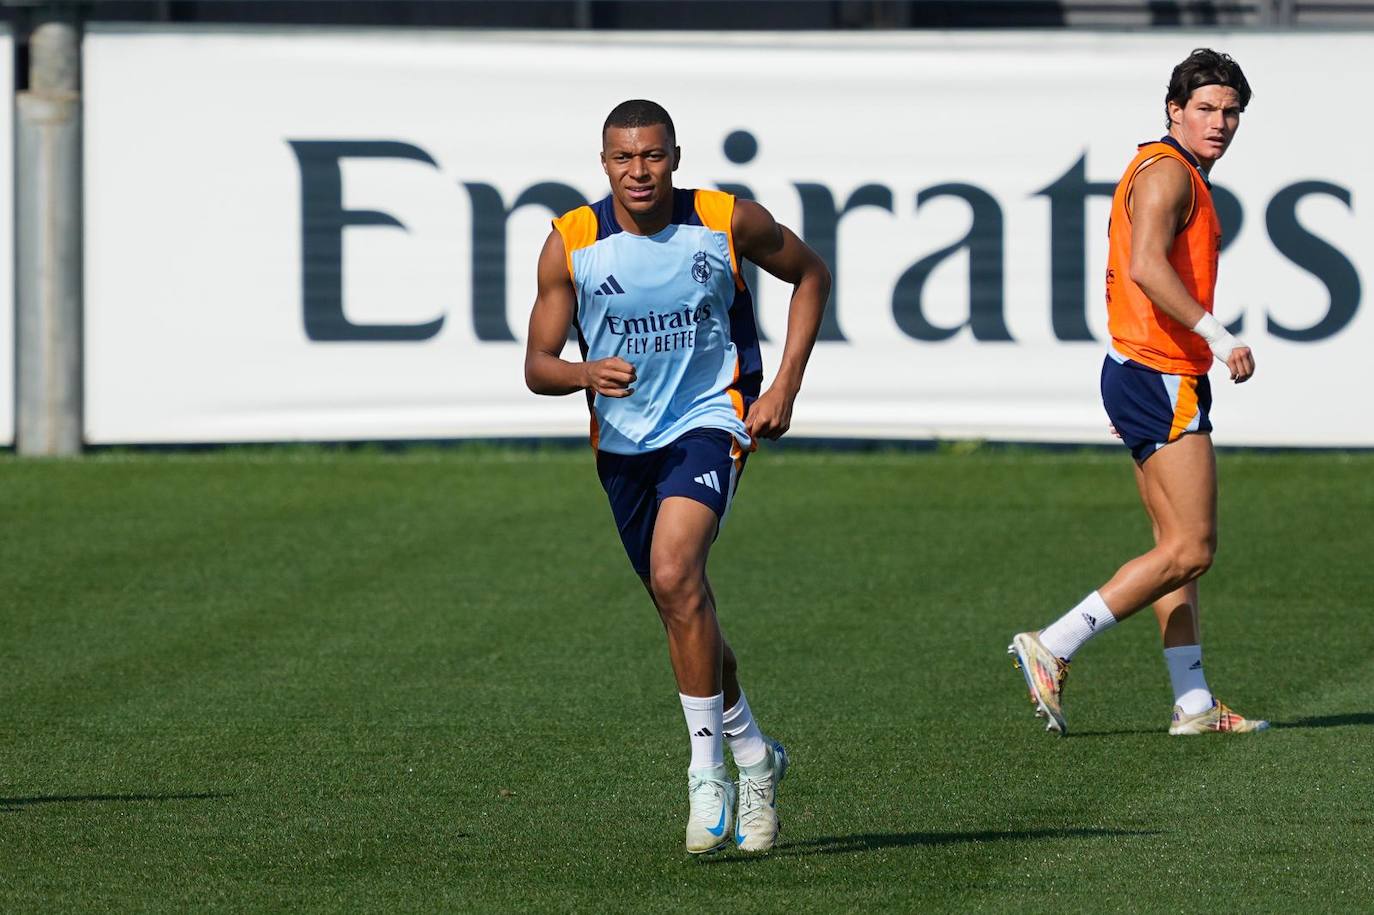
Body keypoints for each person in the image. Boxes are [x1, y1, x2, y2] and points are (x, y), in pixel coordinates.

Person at [524, 99, 830, 852]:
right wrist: (583, 372)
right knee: (680, 602)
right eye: (624, 157)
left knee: (674, 569)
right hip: (623, 446)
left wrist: (784, 382)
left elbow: (811, 275)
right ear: (604, 163)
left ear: (675, 157)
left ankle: (706, 776)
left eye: (653, 156)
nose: (639, 171)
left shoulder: (727, 221)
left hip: (710, 420)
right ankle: (757, 755)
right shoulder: (570, 242)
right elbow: (536, 366)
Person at [1009, 49, 1268, 737]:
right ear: (1174, 110)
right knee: (1193, 548)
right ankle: (1055, 642)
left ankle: (1191, 702)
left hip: (1139, 369)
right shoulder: (1169, 176)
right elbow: (1146, 265)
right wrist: (1219, 334)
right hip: (1160, 371)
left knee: (1171, 544)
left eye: (1231, 111)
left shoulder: (1166, 168)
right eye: (1207, 108)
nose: (1220, 122)